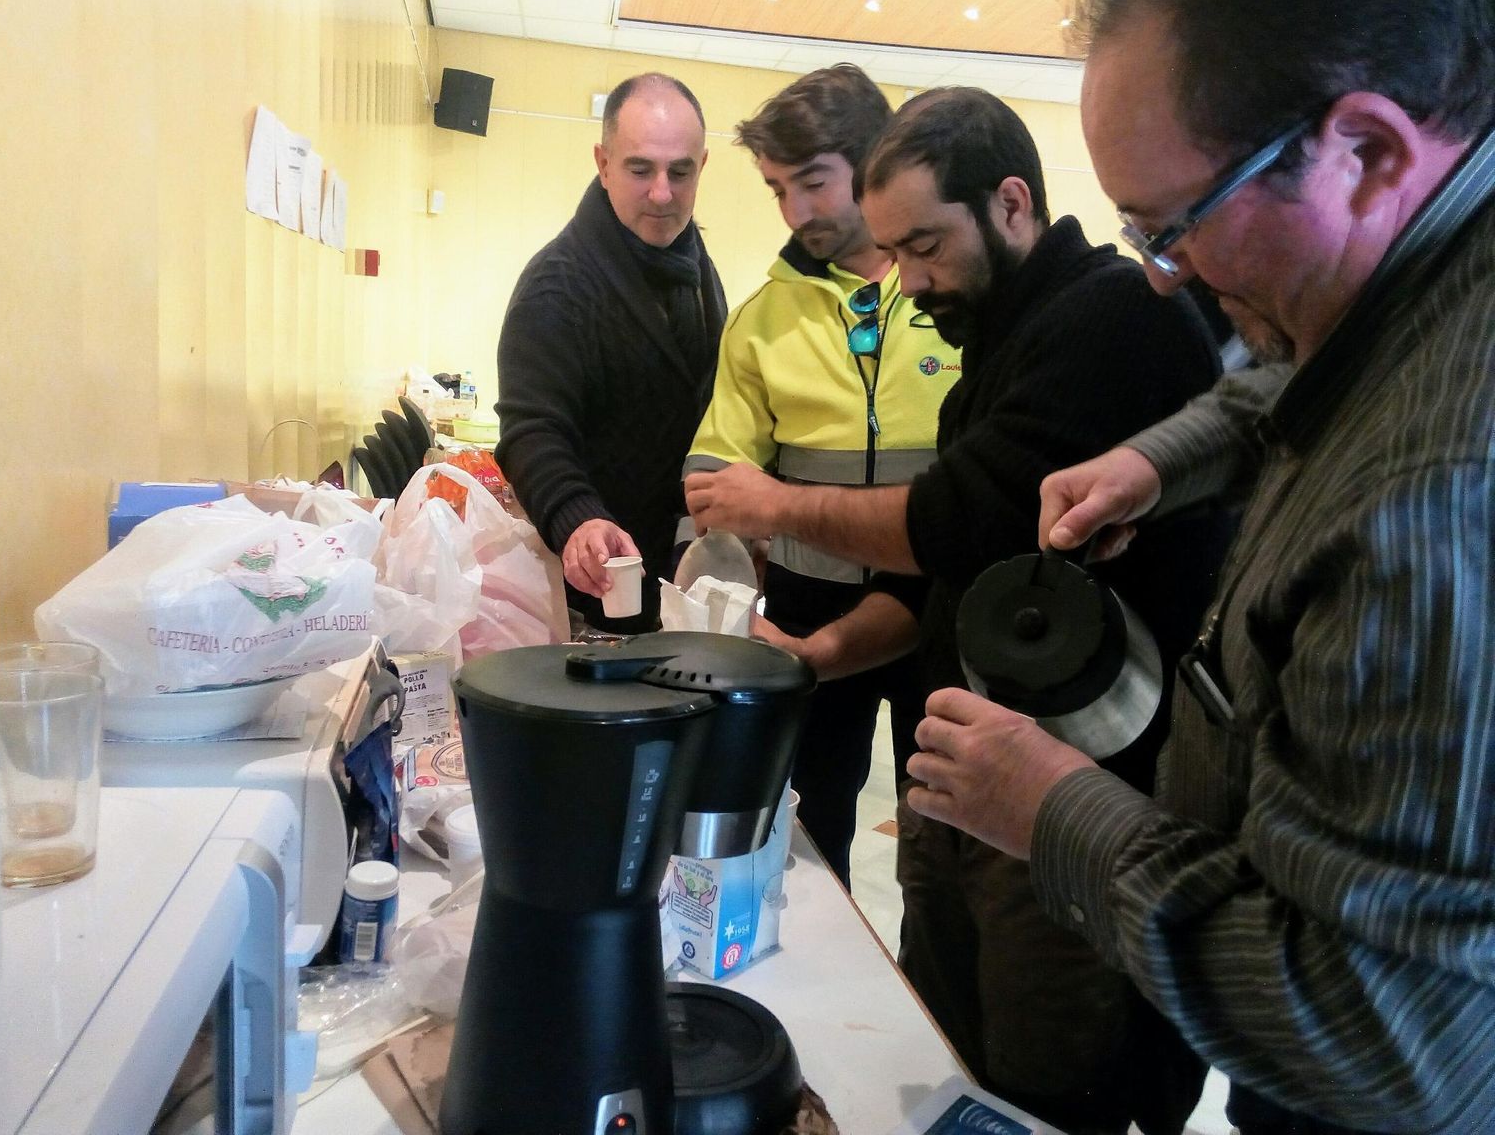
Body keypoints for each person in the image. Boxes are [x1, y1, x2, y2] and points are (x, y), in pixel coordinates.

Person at [901, 0, 1495, 1132]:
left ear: (1365, 152)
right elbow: (1289, 380)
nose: (1163, 277)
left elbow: (1385, 1036)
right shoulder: (1402, 277)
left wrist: (1048, 806)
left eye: (1175, 227)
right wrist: (1151, 461)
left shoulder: (1435, 494)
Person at [688, 87, 1228, 1133]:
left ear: (1012, 204)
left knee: (1052, 1081)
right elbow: (943, 584)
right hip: (969, 785)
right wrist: (809, 655)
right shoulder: (996, 336)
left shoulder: (1110, 318)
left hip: (1075, 804)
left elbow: (955, 521)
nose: (912, 280)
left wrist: (774, 504)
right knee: (945, 1049)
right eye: (895, 253)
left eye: (927, 245)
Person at [681, 65, 954, 886]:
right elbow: (715, 460)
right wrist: (723, 514)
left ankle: (919, 1005)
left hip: (942, 608)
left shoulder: (951, 294)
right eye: (777, 190)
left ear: (874, 164)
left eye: (813, 183)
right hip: (805, 617)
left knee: (941, 837)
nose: (798, 212)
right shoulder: (762, 317)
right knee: (802, 832)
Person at [495, 73, 726, 632]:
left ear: (703, 166)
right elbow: (531, 431)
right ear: (603, 163)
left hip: (683, 580)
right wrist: (578, 518)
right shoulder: (558, 285)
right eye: (640, 169)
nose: (662, 193)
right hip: (600, 586)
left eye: (681, 171)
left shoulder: (694, 265)